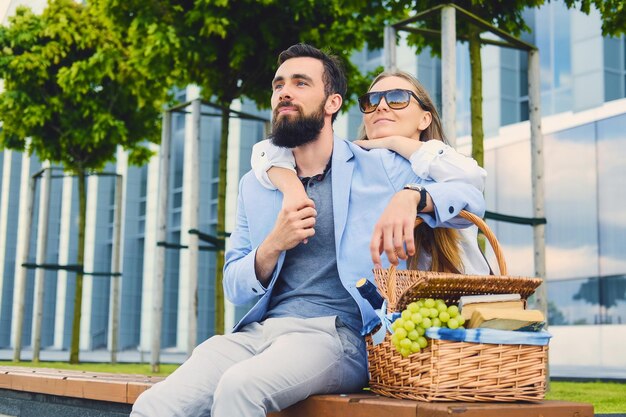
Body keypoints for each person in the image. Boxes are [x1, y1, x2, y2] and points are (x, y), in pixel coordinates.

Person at [130, 43, 484, 417]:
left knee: (240, 388)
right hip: (259, 333)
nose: (284, 91)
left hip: (336, 336)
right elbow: (233, 284)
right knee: (155, 405)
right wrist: (271, 246)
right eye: (278, 84)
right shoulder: (256, 184)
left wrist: (413, 196)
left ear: (332, 103)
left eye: (300, 83)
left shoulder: (379, 166)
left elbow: (468, 197)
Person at [252, 70, 489, 274]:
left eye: (398, 98)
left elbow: (472, 179)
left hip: (467, 303)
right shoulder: (351, 164)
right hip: (393, 314)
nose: (382, 106)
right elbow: (266, 150)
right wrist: (292, 189)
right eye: (371, 101)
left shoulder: (441, 164)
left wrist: (397, 148)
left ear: (424, 119)